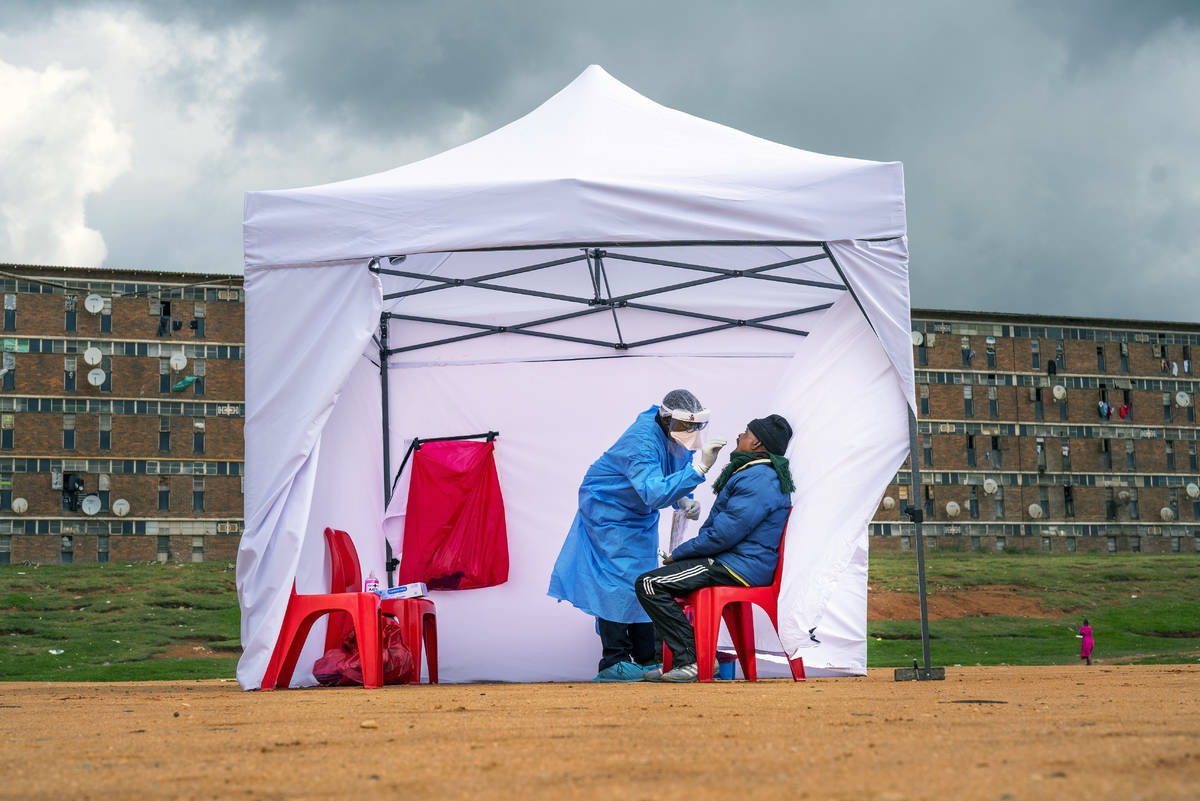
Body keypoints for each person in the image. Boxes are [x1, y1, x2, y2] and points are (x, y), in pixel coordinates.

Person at [548, 390, 728, 682]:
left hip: (639, 513)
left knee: (644, 580)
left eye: (696, 426)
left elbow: (672, 470)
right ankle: (614, 660)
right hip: (608, 510)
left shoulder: (673, 432)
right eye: (686, 426)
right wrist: (700, 470)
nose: (691, 433)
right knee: (615, 582)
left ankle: (646, 658)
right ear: (666, 418)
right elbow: (654, 490)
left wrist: (683, 498)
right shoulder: (642, 440)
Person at [636, 414, 794, 682]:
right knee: (661, 583)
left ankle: (690, 661)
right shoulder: (758, 474)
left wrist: (680, 553)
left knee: (650, 584)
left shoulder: (759, 478)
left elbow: (725, 534)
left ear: (757, 443)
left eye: (745, 433)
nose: (739, 437)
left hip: (735, 565)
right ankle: (684, 659)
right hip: (736, 562)